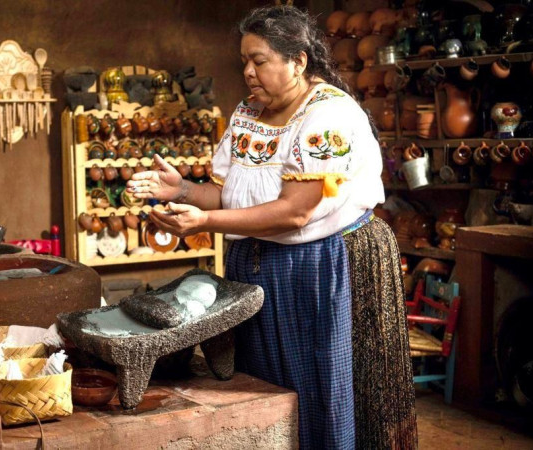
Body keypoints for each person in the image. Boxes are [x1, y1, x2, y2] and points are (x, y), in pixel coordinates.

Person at [126, 5, 416, 449]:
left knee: (319, 392)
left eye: (258, 61)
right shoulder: (249, 112)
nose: (248, 72)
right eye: (244, 61)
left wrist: (205, 222)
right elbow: (229, 196)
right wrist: (182, 189)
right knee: (262, 389)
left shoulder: (329, 116)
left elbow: (295, 212)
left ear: (298, 61)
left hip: (319, 268)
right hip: (258, 267)